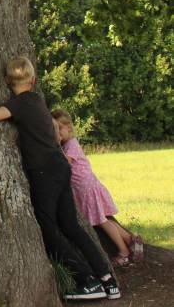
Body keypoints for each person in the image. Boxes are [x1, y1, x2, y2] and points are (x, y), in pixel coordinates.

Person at [0, 56, 121, 302]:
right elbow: (52, 123)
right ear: (34, 80)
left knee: (48, 229)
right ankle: (107, 280)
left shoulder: (17, 104)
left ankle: (87, 280)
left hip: (44, 172)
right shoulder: (37, 99)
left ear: (7, 81)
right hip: (60, 165)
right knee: (71, 225)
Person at [52, 110, 143, 265]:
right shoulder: (68, 144)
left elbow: (64, 163)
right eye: (54, 130)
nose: (58, 133)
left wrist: (54, 142)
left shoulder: (71, 144)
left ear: (69, 128)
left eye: (59, 129)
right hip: (85, 187)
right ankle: (130, 240)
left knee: (102, 221)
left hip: (86, 188)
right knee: (104, 218)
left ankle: (124, 252)